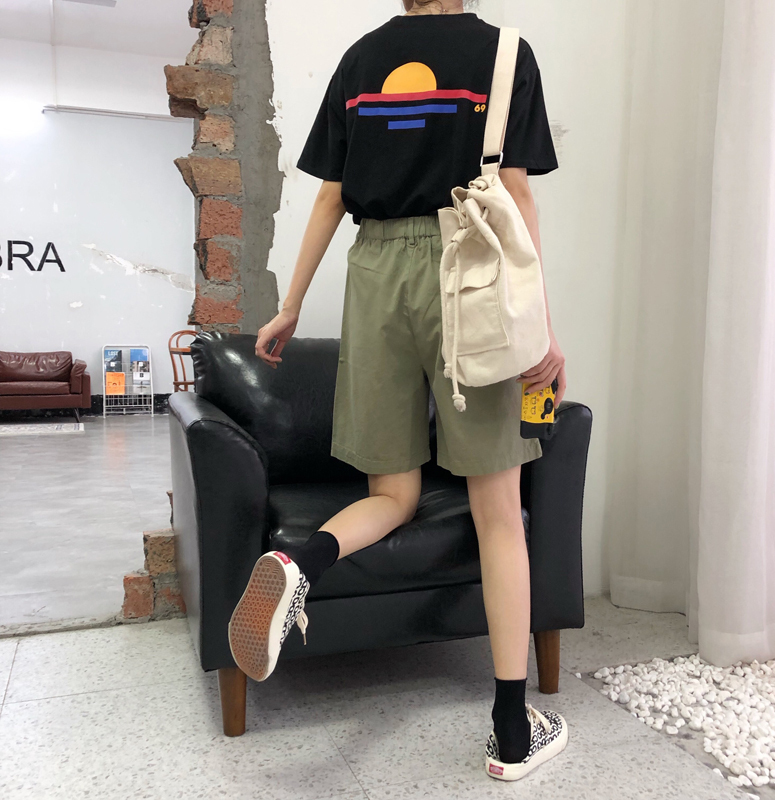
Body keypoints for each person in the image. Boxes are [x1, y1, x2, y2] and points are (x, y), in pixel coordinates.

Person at [227, 0, 568, 783]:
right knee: (497, 512)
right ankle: (511, 732)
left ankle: (302, 560)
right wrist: (541, 333)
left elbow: (330, 196)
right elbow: (517, 196)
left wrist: (289, 306)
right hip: (471, 274)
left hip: (375, 273)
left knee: (393, 493)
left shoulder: (361, 59)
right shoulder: (505, 54)